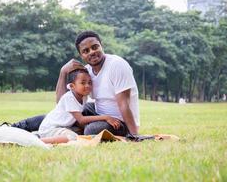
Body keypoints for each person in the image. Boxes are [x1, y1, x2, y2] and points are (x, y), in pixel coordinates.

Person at [11, 30, 140, 136]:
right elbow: (63, 102)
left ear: (101, 46)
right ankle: (13, 128)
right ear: (81, 55)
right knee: (61, 116)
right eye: (86, 51)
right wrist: (63, 73)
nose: (92, 52)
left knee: (91, 130)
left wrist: (134, 135)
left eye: (95, 47)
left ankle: (55, 134)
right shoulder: (87, 71)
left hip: (120, 121)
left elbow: (124, 103)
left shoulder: (117, 65)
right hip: (98, 113)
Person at [38, 69, 121, 144]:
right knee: (73, 137)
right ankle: (39, 141)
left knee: (79, 132)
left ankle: (46, 138)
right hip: (50, 128)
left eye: (89, 83)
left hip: (63, 127)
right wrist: (106, 117)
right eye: (83, 83)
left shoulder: (84, 96)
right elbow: (81, 120)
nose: (87, 85)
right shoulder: (69, 97)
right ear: (72, 86)